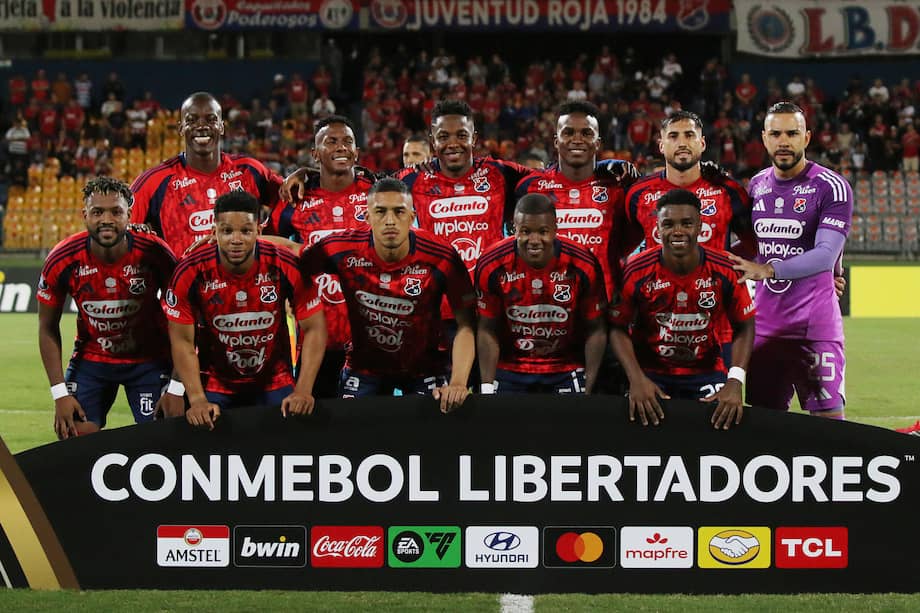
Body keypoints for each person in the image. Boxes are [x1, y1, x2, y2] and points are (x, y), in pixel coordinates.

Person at [298, 178, 475, 412]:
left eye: (399, 212)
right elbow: (292, 265)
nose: (390, 221)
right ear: (367, 217)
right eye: (380, 212)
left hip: (425, 369)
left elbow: (467, 324)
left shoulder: (442, 255)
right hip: (364, 368)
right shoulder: (338, 248)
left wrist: (458, 383)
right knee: (351, 430)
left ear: (412, 217)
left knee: (433, 430)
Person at [729, 102, 852, 420]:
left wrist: (769, 269)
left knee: (830, 431)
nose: (783, 141)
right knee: (766, 430)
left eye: (792, 134)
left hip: (814, 331)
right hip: (764, 330)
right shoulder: (757, 184)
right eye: (776, 134)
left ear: (807, 137)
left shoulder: (831, 187)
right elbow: (752, 247)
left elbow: (825, 254)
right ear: (764, 138)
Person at [164, 191, 326, 430]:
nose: (236, 240)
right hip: (215, 383)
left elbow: (315, 327)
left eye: (246, 231)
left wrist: (303, 390)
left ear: (259, 231)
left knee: (287, 443)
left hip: (275, 380)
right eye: (227, 231)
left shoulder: (284, 264)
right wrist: (197, 399)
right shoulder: (190, 271)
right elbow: (182, 341)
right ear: (214, 232)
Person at [37, 177, 178, 439]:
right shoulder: (62, 259)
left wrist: (177, 387)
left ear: (129, 215)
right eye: (97, 212)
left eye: (116, 212)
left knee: (164, 439)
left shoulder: (155, 253)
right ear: (85, 215)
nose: (106, 220)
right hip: (92, 360)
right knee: (73, 433)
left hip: (150, 360)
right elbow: (47, 327)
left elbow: (185, 319)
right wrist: (60, 393)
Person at [609, 188, 755, 430]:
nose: (677, 231)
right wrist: (635, 378)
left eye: (686, 223)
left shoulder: (725, 268)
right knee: (646, 443)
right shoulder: (636, 269)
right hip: (650, 374)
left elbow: (745, 326)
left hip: (707, 372)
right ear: (657, 228)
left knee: (714, 439)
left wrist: (735, 381)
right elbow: (617, 328)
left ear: (699, 227)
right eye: (668, 224)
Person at [270, 115, 375, 399]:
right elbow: (266, 248)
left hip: (369, 338)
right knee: (314, 419)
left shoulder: (376, 194)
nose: (341, 147)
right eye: (331, 142)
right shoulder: (295, 200)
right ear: (315, 153)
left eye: (348, 142)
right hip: (316, 340)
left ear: (356, 152)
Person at [475, 194, 607, 394]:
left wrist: (588, 389)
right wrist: (486, 388)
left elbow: (596, 329)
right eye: (526, 231)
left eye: (543, 232)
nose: (534, 240)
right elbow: (487, 329)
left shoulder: (582, 263)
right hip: (509, 367)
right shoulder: (491, 263)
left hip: (566, 366)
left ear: (555, 229)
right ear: (514, 229)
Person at [130, 91, 283, 255]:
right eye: (192, 120)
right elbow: (122, 229)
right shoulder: (154, 181)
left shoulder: (249, 170)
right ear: (181, 128)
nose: (202, 126)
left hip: (245, 271)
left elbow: (291, 201)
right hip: (183, 271)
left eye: (211, 119)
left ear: (222, 127)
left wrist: (266, 234)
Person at [624, 110, 754, 257]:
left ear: (702, 143)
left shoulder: (729, 191)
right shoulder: (638, 194)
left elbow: (753, 246)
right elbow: (622, 251)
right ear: (661, 146)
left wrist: (726, 263)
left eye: (689, 135)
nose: (682, 143)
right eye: (673, 136)